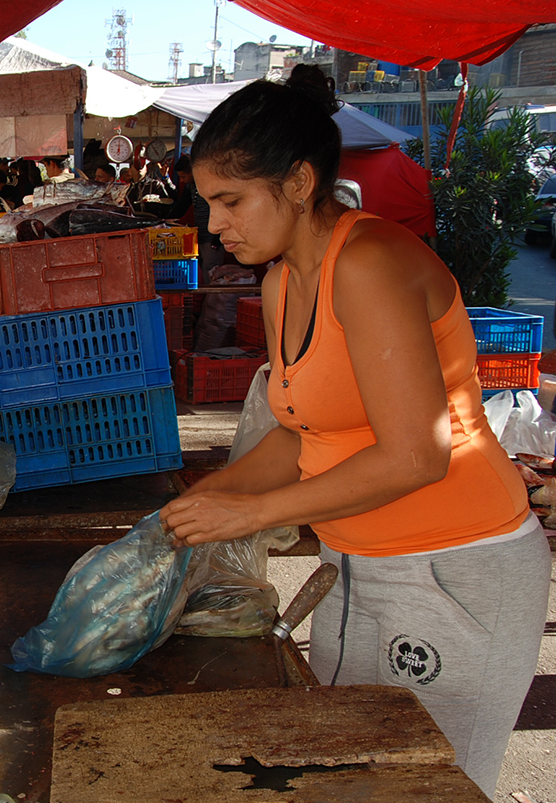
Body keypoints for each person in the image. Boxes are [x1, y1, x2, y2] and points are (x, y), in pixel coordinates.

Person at [158, 65, 550, 798]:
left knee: (429, 784)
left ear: (300, 183)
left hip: (458, 570)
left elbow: (416, 455)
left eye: (230, 200)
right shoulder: (280, 283)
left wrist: (252, 513)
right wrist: (193, 508)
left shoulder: (369, 261)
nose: (215, 224)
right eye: (210, 201)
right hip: (354, 565)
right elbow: (299, 432)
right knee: (344, 780)